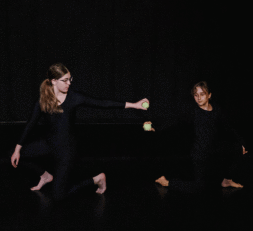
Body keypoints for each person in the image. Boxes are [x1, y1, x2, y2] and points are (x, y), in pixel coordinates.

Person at [10, 63, 149, 200]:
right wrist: (17, 149)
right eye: (64, 80)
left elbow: (103, 103)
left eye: (70, 79)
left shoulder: (74, 97)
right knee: (17, 156)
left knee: (58, 196)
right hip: (49, 144)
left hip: (67, 150)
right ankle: (46, 176)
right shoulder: (43, 100)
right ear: (53, 81)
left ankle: (97, 179)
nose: (68, 83)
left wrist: (134, 105)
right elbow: (30, 125)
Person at [148, 81, 247, 193]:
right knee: (200, 187)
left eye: (202, 94)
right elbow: (174, 120)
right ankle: (166, 182)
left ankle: (227, 180)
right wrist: (155, 126)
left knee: (239, 149)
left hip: (214, 149)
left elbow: (228, 127)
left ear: (209, 95)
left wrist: (241, 142)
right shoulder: (193, 112)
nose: (199, 98)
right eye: (196, 95)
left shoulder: (216, 110)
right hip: (200, 154)